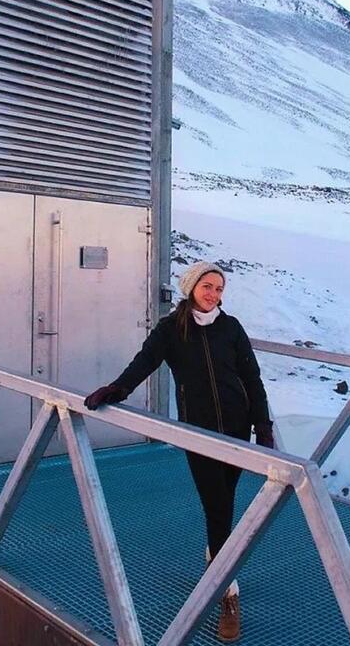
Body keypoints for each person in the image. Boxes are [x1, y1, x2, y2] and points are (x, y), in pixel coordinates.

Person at [85, 261, 275, 643]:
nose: (214, 295)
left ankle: (216, 559)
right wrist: (118, 389)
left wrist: (263, 425)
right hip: (199, 431)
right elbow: (145, 362)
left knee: (226, 500)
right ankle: (227, 592)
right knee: (217, 506)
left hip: (237, 427)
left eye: (219, 289)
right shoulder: (172, 330)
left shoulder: (231, 327)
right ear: (191, 289)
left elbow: (251, 377)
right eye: (208, 287)